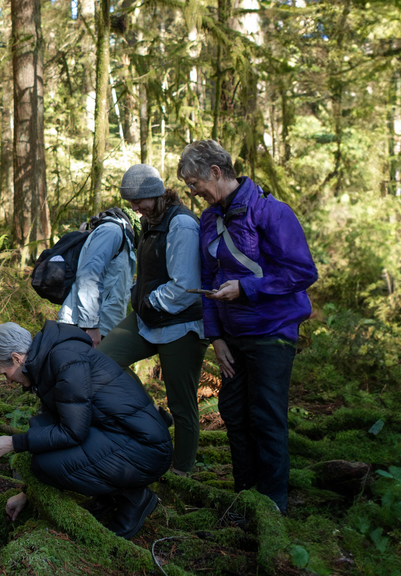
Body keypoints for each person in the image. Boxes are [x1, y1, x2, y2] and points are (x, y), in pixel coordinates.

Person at [177, 140, 318, 514]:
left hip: (272, 332)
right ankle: (245, 496)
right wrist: (216, 338)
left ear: (216, 173)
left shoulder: (272, 213)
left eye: (195, 184)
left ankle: (272, 507)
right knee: (234, 413)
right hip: (232, 338)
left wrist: (246, 287)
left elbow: (303, 272)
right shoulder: (209, 220)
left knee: (266, 416)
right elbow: (207, 280)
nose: (193, 193)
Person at [0, 321, 172, 539]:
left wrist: (13, 443)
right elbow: (61, 427)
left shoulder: (64, 359)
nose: (9, 380)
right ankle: (107, 495)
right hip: (122, 437)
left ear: (16, 358)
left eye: (5, 373)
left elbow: (72, 432)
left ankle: (133, 497)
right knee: (40, 429)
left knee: (44, 463)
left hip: (145, 448)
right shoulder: (49, 360)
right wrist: (27, 494)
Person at [96, 164, 208, 478]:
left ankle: (182, 472)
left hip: (180, 325)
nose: (134, 208)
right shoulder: (151, 219)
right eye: (130, 202)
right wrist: (137, 292)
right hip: (148, 319)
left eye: (138, 201)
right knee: (101, 361)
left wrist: (148, 299)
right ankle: (150, 415)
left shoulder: (182, 224)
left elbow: (185, 287)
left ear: (156, 194)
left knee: (182, 404)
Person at [56, 207, 136, 347]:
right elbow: (89, 276)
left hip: (103, 326)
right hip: (84, 327)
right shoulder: (112, 231)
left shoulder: (127, 236)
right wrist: (91, 325)